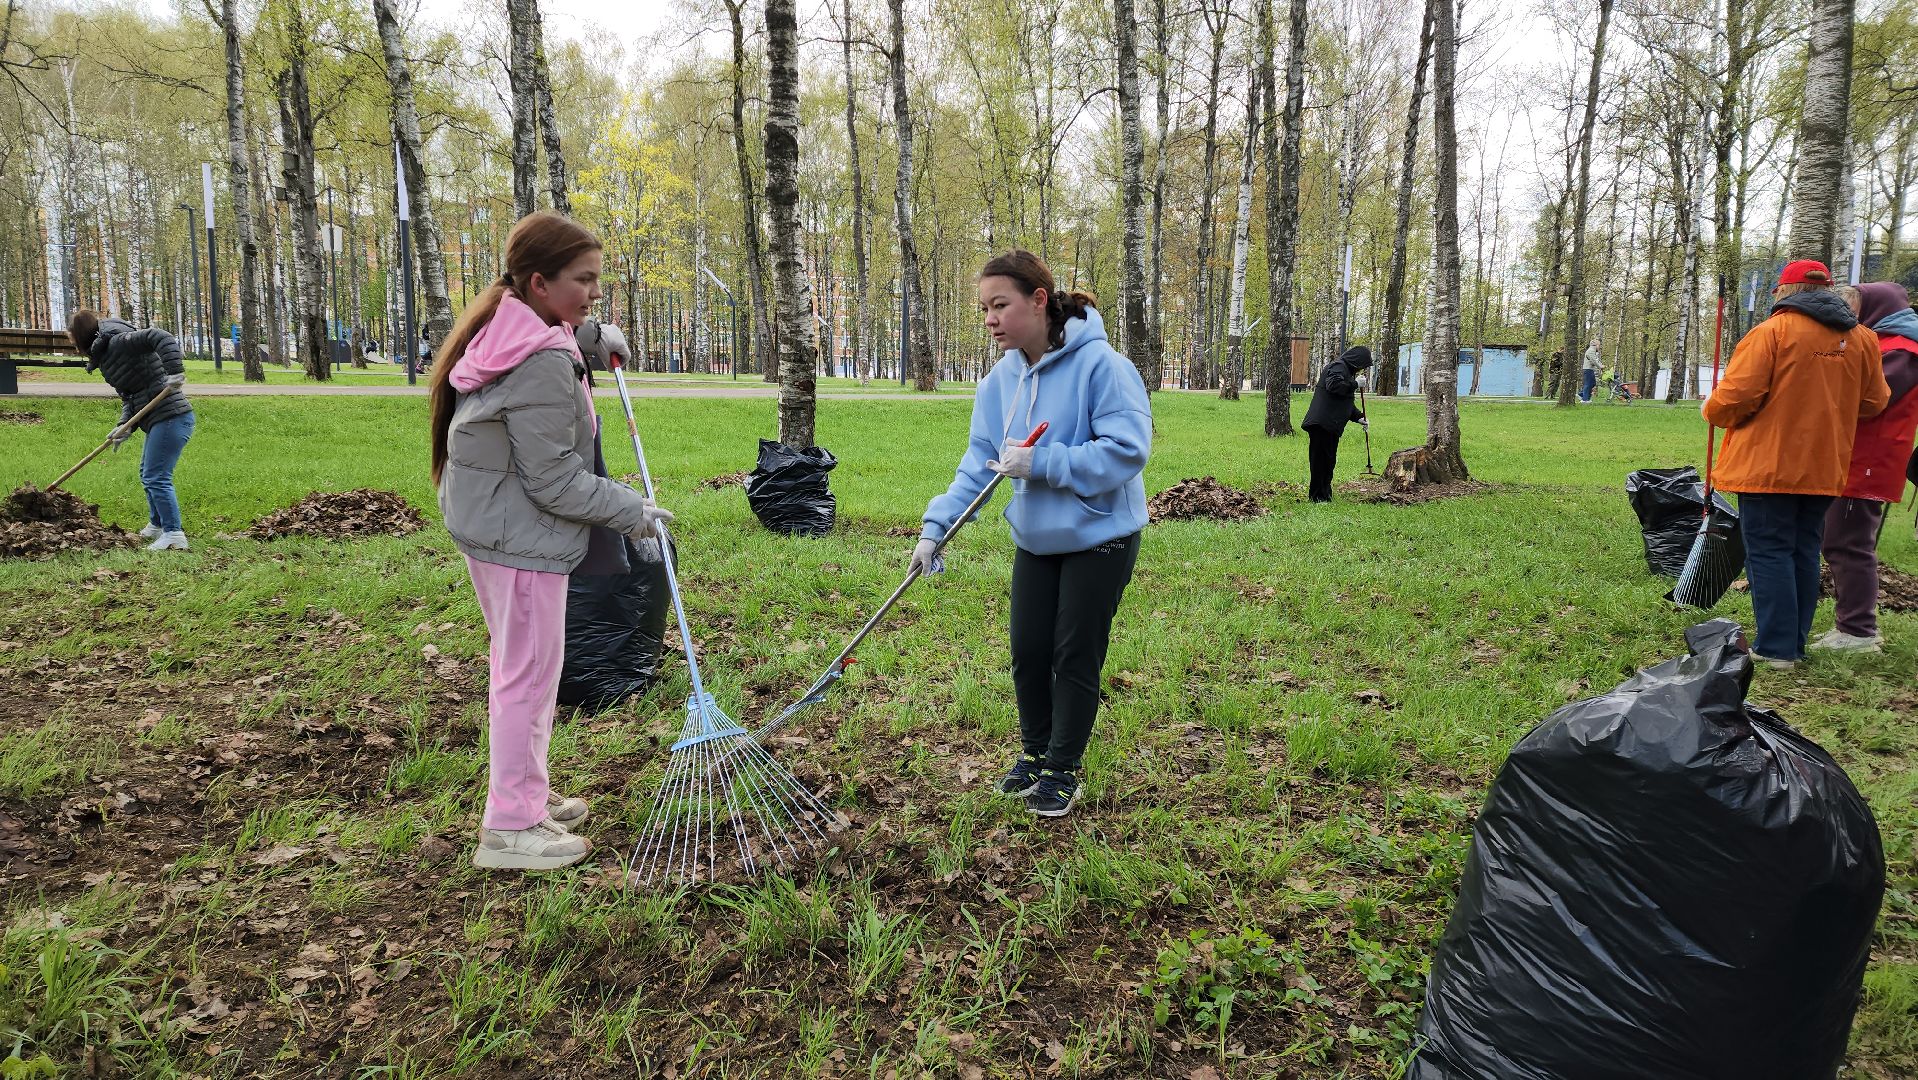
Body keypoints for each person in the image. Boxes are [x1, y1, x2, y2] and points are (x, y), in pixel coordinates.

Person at [430, 211, 674, 870]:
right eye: (583, 280)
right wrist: (631, 511)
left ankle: (526, 795)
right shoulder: (539, 360)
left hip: (495, 522)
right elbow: (555, 480)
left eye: (597, 280)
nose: (594, 292)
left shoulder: (515, 324)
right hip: (520, 534)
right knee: (529, 678)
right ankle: (510, 828)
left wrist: (587, 339)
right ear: (540, 283)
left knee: (525, 669)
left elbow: (551, 365)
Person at [912, 249, 1151, 819]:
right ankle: (1035, 753)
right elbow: (978, 465)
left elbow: (1127, 451)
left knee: (1073, 653)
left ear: (1039, 300)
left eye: (1000, 305)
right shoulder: (1000, 381)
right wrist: (935, 529)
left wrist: (1042, 462)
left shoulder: (1104, 367)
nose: (990, 319)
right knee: (1028, 650)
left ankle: (1062, 769)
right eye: (984, 308)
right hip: (1038, 537)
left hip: (1101, 535)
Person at [1702, 260, 1889, 668]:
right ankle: (1794, 644)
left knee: (1769, 550)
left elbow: (1735, 399)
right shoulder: (1862, 338)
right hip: (1825, 465)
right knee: (1804, 549)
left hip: (1768, 465)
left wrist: (1711, 408)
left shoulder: (1772, 332)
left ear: (1783, 291)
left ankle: (1776, 647)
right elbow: (1875, 401)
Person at [1816, 281, 1918, 654]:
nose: (1849, 317)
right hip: (1858, 456)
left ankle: (1858, 631)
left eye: (1854, 309)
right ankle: (1853, 626)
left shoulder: (1902, 350)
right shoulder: (1884, 344)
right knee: (1842, 540)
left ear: (1876, 309)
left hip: (1868, 460)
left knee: (1849, 543)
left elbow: (1869, 399)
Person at [66, 310, 195, 551]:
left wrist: (174, 370)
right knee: (147, 472)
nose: (72, 344)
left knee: (156, 476)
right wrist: (122, 427)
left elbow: (160, 336)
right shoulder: (105, 355)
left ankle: (174, 534)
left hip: (171, 416)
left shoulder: (119, 341)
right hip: (158, 419)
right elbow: (130, 397)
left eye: (72, 338)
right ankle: (157, 525)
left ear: (80, 336)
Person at [1301, 346, 1372, 503]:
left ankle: (1325, 494)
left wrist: (1359, 417)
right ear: (1356, 361)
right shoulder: (1339, 366)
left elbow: (1344, 401)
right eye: (1362, 365)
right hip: (1322, 423)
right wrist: (1355, 384)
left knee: (1328, 461)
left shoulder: (1345, 371)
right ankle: (1317, 497)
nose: (1361, 369)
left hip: (1330, 424)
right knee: (1320, 462)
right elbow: (1333, 386)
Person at [1579, 337, 1602, 402]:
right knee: (1588, 384)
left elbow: (1596, 360)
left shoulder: (1593, 351)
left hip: (1590, 369)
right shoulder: (1591, 351)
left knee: (1592, 383)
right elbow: (1594, 360)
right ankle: (1585, 399)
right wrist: (1600, 366)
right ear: (1595, 345)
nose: (1599, 347)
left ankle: (1581, 395)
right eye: (1599, 345)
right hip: (1588, 369)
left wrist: (1601, 365)